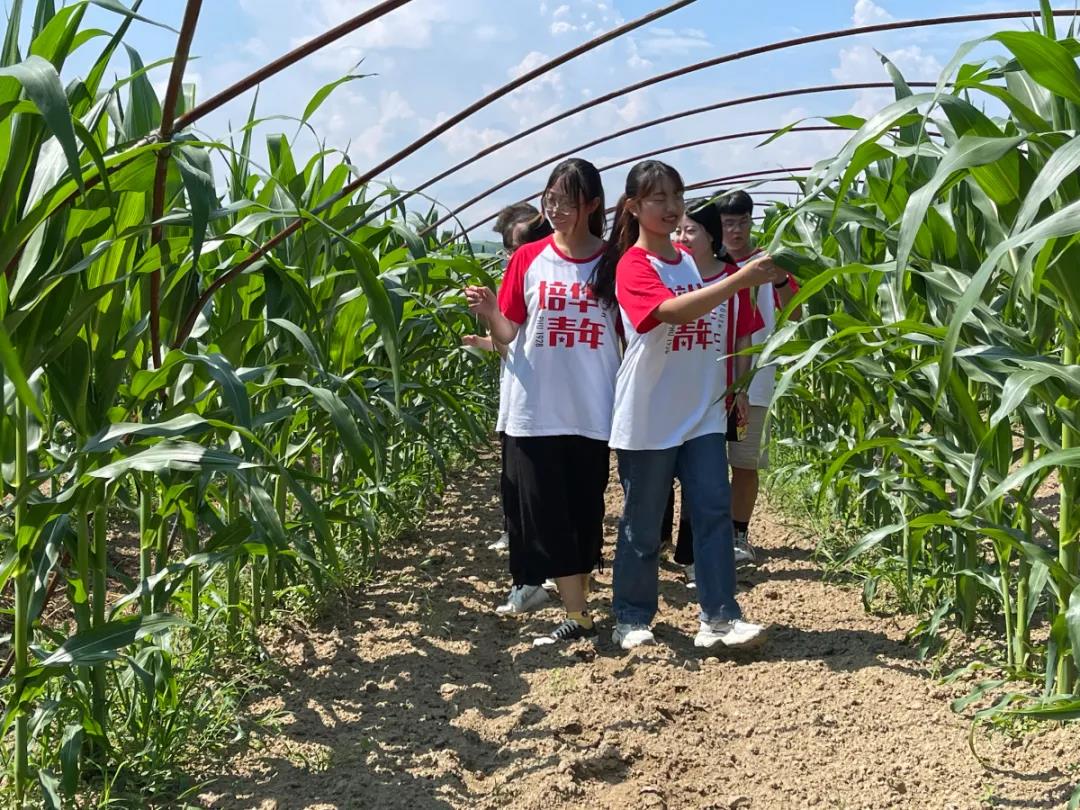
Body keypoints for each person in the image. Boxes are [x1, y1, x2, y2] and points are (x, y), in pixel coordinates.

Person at [597, 160, 785, 651]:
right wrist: (738, 280)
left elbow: (728, 326)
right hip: (650, 415)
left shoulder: (686, 261)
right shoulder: (634, 265)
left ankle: (720, 617)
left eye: (677, 197)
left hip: (701, 411)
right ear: (633, 207)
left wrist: (735, 389)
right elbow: (669, 313)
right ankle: (631, 616)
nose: (671, 207)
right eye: (658, 198)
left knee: (713, 511)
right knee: (643, 524)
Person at [465, 158, 620, 645]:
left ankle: (579, 603)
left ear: (592, 205)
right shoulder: (528, 259)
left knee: (584, 511)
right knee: (546, 512)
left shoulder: (613, 262)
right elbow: (510, 333)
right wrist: (491, 312)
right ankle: (578, 614)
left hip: (591, 407)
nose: (555, 209)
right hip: (534, 409)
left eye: (566, 201)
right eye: (550, 199)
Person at [666, 201, 763, 588]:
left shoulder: (732, 280)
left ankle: (694, 556)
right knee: (662, 476)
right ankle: (657, 545)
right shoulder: (667, 275)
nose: (681, 237)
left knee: (704, 481)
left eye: (690, 230)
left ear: (711, 236)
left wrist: (739, 389)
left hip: (713, 398)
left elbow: (743, 337)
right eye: (678, 230)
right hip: (670, 394)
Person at [463, 204, 553, 556]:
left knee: (541, 479)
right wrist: (486, 335)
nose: (512, 258)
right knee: (514, 476)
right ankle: (514, 534)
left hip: (546, 399)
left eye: (518, 249)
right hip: (518, 396)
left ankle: (543, 548)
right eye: (509, 250)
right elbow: (508, 346)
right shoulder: (511, 284)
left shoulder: (552, 288)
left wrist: (493, 321)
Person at [716, 191, 801, 564]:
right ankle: (699, 536)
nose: (735, 231)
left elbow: (795, 316)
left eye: (742, 222)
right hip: (707, 384)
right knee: (702, 464)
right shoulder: (706, 263)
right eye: (728, 223)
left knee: (744, 460)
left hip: (751, 386)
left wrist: (780, 279)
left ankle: (738, 534)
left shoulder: (768, 264)